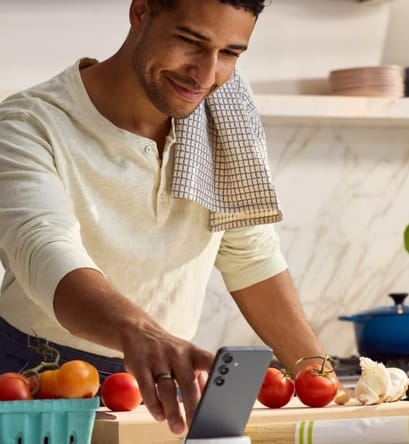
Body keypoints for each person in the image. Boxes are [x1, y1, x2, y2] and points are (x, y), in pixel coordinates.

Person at [0, 0, 336, 435]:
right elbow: (45, 250)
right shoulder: (29, 123)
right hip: (37, 378)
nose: (206, 73)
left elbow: (249, 254)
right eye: (190, 41)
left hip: (164, 386)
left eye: (230, 53)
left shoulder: (225, 110)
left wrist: (322, 379)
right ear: (141, 12)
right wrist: (144, 334)